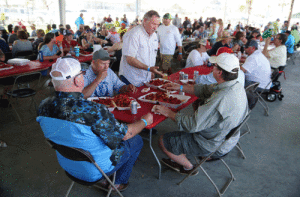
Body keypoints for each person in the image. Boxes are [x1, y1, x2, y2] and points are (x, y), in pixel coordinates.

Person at [37, 56, 153, 193]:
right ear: (77, 80)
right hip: (96, 170)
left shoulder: (43, 106)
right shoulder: (93, 110)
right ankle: (118, 182)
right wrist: (145, 120)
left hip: (68, 164)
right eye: (82, 74)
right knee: (136, 140)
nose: (83, 76)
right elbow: (126, 134)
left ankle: (110, 179)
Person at [153, 52, 248, 175]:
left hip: (213, 144)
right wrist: (180, 87)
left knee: (163, 140)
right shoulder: (235, 86)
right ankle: (185, 151)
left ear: (219, 73)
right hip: (228, 138)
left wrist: (168, 112)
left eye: (214, 66)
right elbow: (205, 89)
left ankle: (188, 167)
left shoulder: (220, 98)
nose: (211, 67)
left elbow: (192, 125)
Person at [119, 10, 163, 87]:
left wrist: (151, 71)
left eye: (157, 25)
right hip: (131, 79)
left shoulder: (154, 36)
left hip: (146, 78)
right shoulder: (134, 34)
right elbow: (130, 59)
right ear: (145, 21)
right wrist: (149, 68)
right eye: (153, 24)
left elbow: (152, 54)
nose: (155, 28)